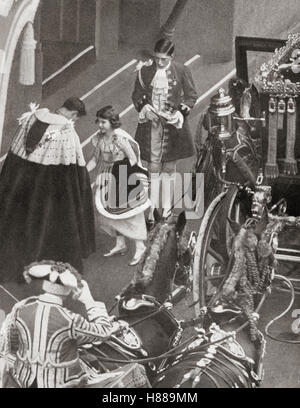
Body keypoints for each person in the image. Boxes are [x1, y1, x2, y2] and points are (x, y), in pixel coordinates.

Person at [0, 98, 95, 283]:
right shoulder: (66, 130)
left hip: (18, 183)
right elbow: (72, 166)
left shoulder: (32, 117)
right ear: (74, 114)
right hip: (42, 186)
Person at [0, 261, 130, 388]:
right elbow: (104, 331)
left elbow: (12, 342)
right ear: (68, 291)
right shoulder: (71, 319)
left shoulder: (20, 309)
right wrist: (89, 301)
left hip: (24, 380)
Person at [132, 38, 198, 228]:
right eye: (157, 58)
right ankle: (151, 211)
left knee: (169, 168)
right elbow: (136, 95)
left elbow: (191, 96)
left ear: (171, 56)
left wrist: (179, 112)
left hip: (172, 129)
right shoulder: (144, 71)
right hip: (151, 127)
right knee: (153, 168)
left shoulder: (182, 70)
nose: (159, 62)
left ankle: (167, 209)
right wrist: (145, 108)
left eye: (163, 59)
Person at [87, 106, 150, 266]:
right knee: (106, 212)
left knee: (130, 213)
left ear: (112, 122)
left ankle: (140, 246)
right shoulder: (100, 140)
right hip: (107, 178)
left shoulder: (120, 139)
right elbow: (95, 160)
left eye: (103, 122)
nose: (100, 125)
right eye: (99, 122)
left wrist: (122, 171)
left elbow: (132, 158)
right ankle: (120, 243)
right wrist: (82, 171)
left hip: (122, 176)